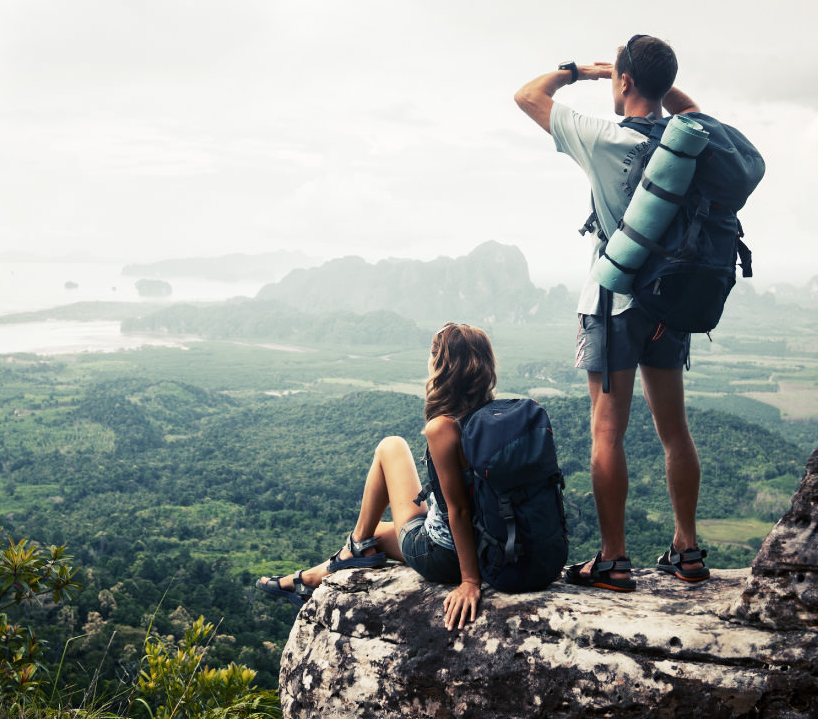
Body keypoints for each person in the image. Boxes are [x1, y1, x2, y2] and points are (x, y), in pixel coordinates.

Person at [513, 35, 709, 592]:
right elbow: (692, 111)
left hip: (613, 302)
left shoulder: (602, 137)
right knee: (675, 430)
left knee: (607, 431)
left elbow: (528, 95)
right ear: (664, 83)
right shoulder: (689, 138)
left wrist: (584, 72)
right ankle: (687, 549)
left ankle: (613, 559)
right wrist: (650, 79)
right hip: (669, 303)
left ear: (625, 82)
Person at [256, 322, 495, 630]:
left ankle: (347, 552)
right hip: (491, 545)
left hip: (446, 556)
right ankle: (312, 575)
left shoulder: (444, 427)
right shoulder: (493, 417)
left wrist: (470, 581)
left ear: (441, 365)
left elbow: (458, 510)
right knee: (375, 536)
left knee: (390, 446)